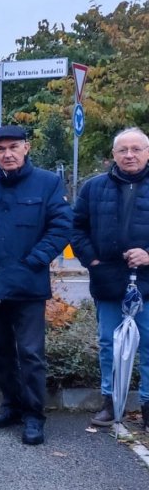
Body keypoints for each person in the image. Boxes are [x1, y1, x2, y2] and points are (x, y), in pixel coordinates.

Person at [0, 126, 72, 446]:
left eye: (14, 147)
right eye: (0, 149)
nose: (7, 154)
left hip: (27, 284)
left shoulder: (48, 183)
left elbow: (62, 226)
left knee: (31, 353)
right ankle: (10, 406)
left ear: (27, 147)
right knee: (0, 352)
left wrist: (34, 260)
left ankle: (34, 416)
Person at [72, 127, 149, 430]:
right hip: (108, 281)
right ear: (113, 155)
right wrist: (92, 261)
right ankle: (111, 402)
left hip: (147, 283)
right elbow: (76, 228)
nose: (129, 155)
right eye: (123, 150)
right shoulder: (93, 187)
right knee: (109, 344)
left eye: (136, 149)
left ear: (147, 152)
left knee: (148, 346)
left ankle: (146, 406)